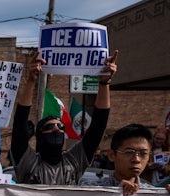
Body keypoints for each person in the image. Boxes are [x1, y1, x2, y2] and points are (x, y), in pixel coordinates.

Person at [10, 50, 118, 185]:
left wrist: (104, 83)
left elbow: (98, 126)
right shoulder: (28, 162)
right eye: (50, 126)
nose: (57, 129)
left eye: (61, 126)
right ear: (39, 135)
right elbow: (19, 124)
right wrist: (31, 81)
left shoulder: (74, 161)